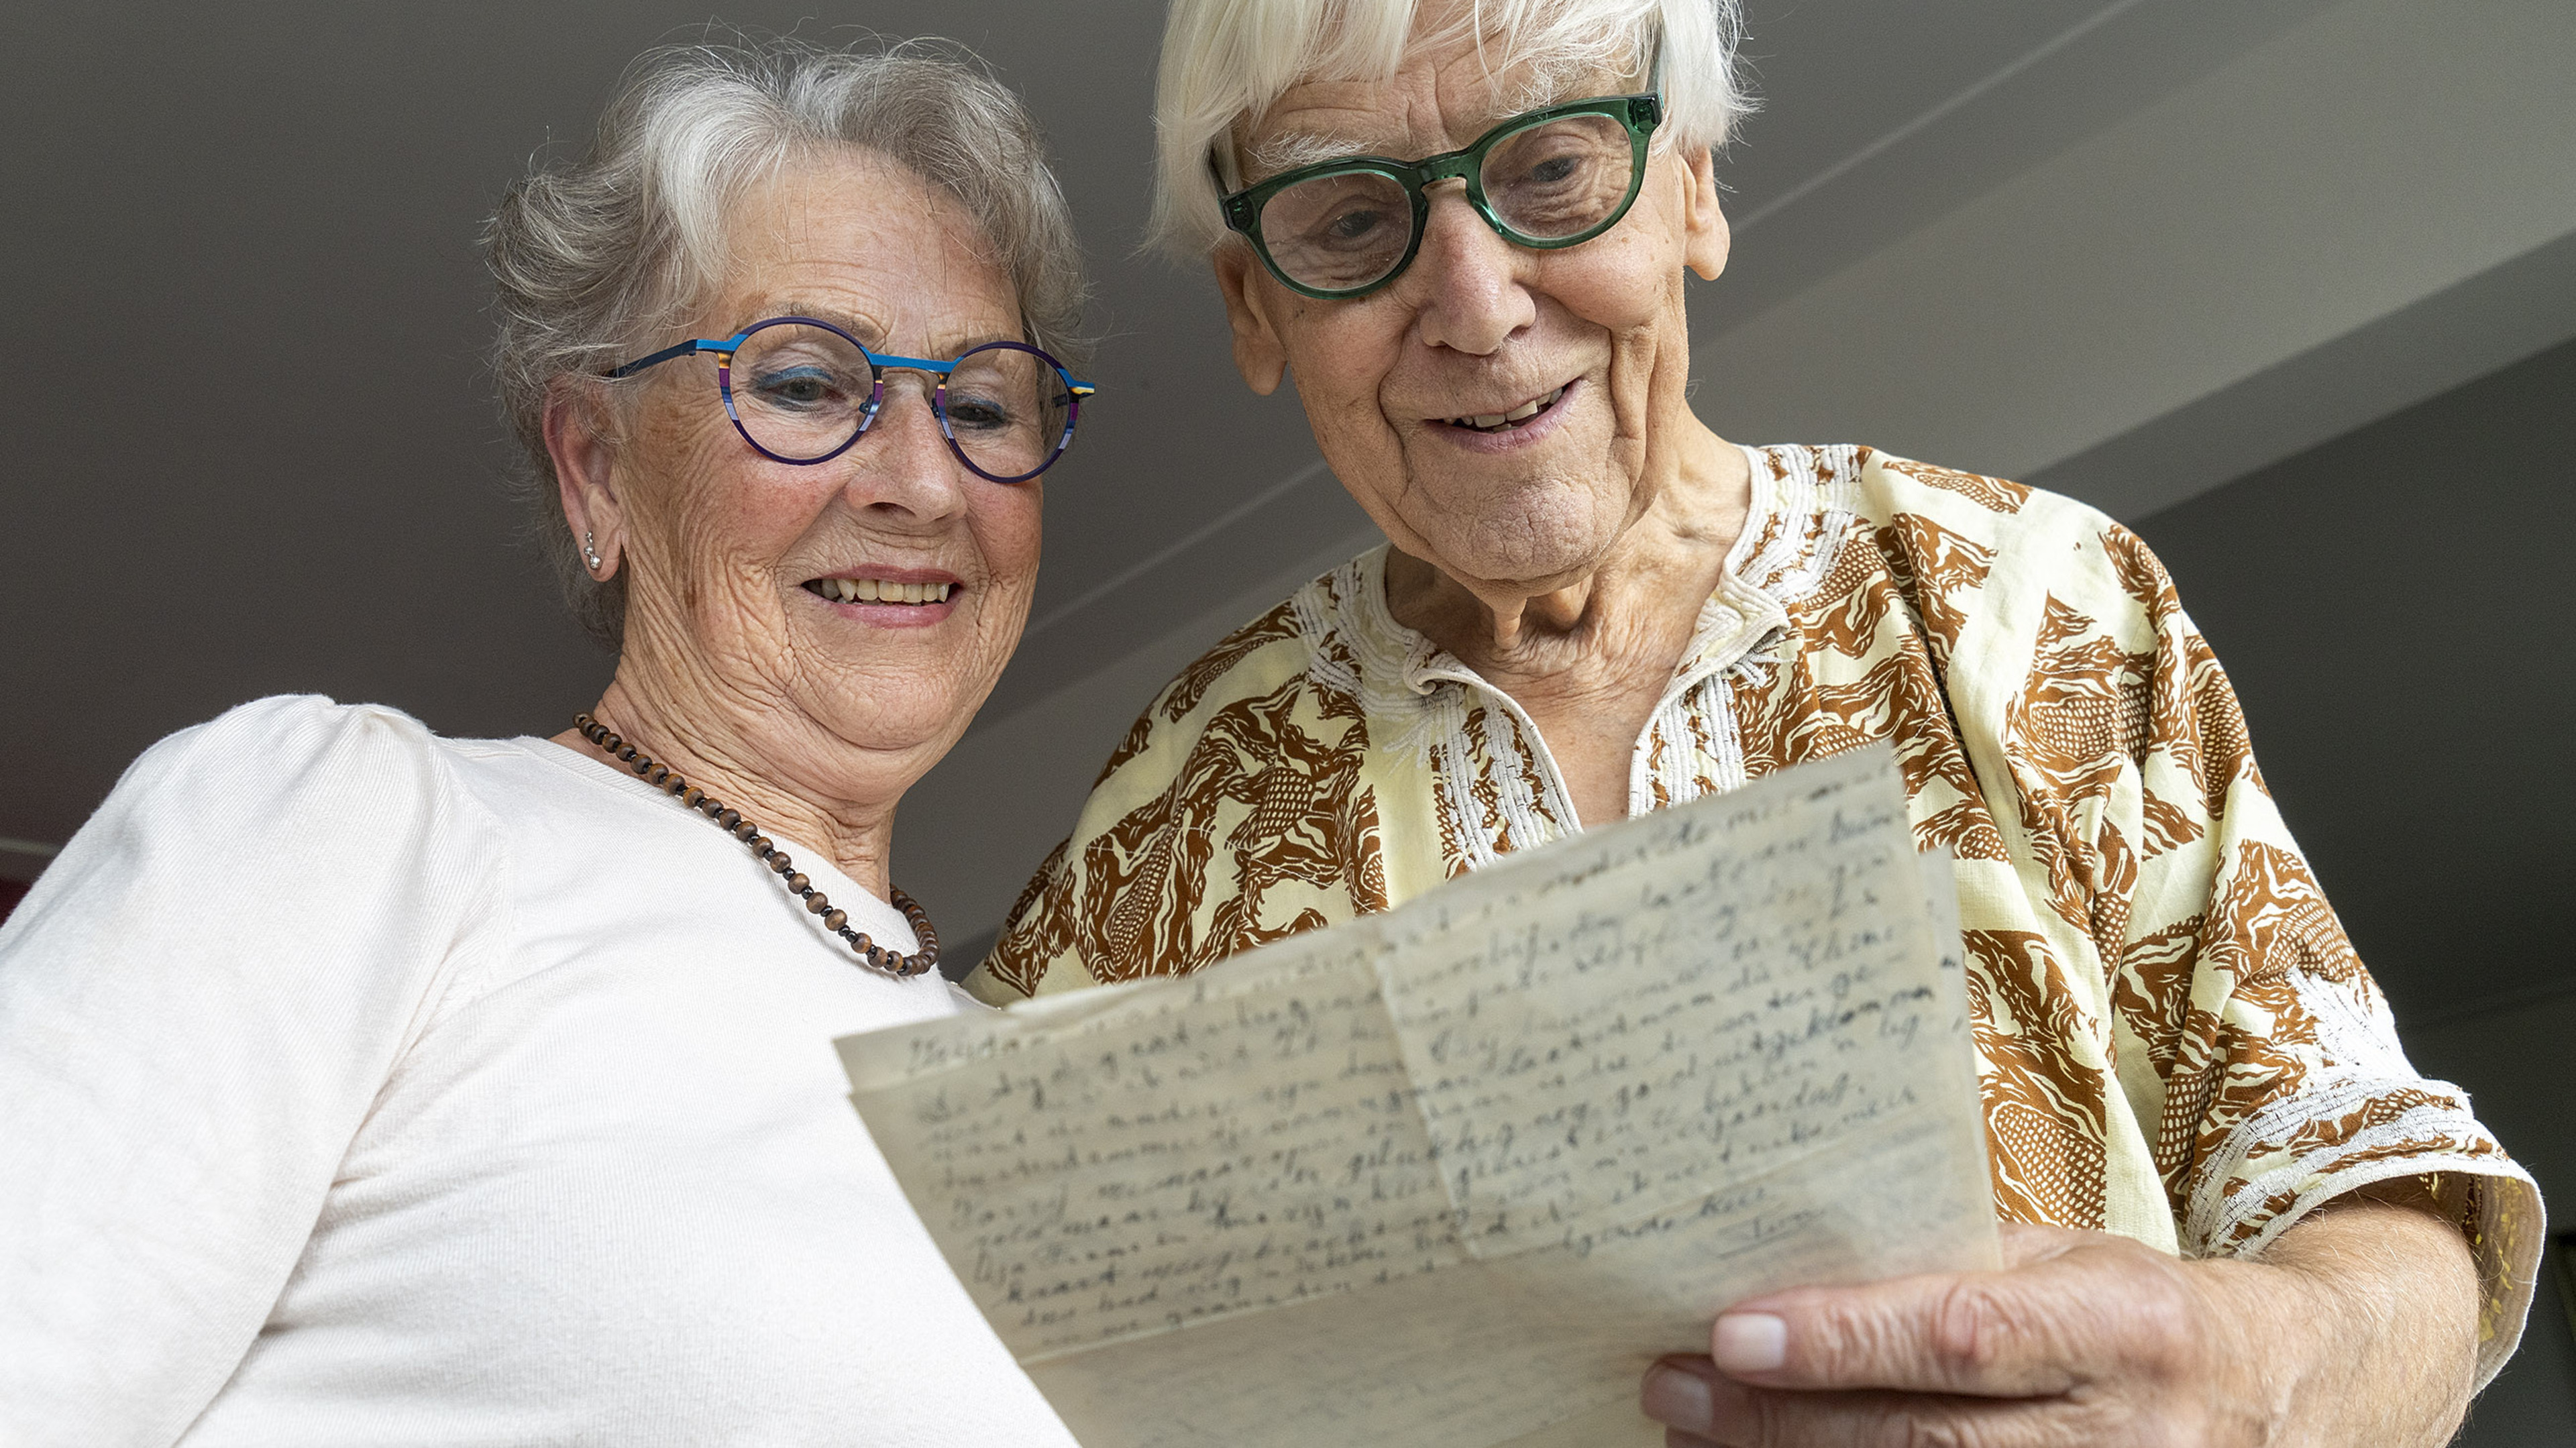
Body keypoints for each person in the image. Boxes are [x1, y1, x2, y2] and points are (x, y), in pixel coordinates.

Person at [961, 0, 2541, 1441]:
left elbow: (2384, 1202)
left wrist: (2253, 1369)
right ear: (1254, 309)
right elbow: (953, 1325)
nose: (1473, 298)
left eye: (1557, 167)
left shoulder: (2025, 597)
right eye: (1351, 219)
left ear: (1694, 187)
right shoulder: (1187, 794)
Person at [0, 39, 1094, 1446]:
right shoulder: (366, 835)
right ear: (597, 468)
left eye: (983, 404)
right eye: (810, 384)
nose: (927, 481)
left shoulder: (1036, 1106)